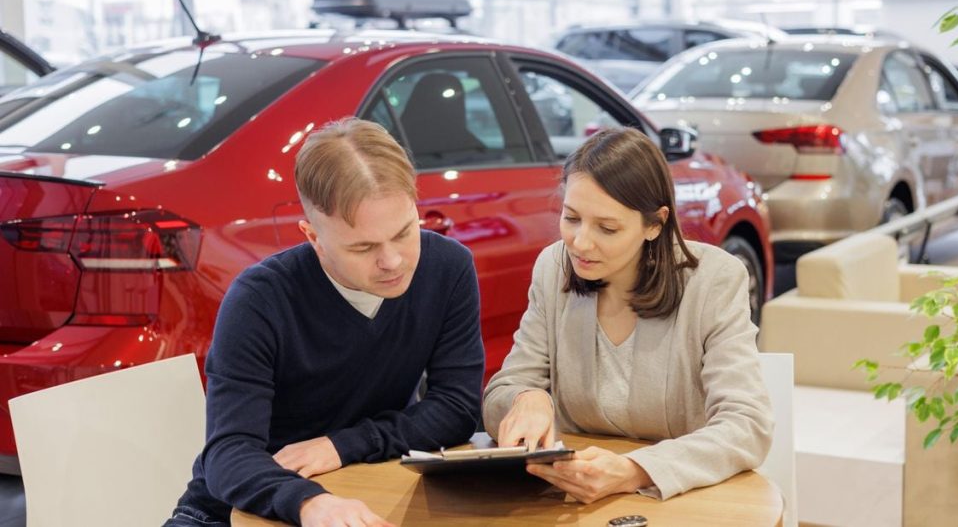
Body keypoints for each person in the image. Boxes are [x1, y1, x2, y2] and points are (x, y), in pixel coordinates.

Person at [165, 118, 484, 527]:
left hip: (372, 494)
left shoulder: (448, 268)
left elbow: (456, 409)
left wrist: (342, 445)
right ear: (312, 237)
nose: (392, 261)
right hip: (231, 511)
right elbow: (229, 453)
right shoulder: (260, 299)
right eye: (363, 247)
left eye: (405, 232)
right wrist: (309, 503)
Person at [482, 126, 773, 504]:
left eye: (607, 228)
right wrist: (527, 397)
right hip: (576, 502)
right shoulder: (554, 268)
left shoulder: (713, 280)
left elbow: (747, 425)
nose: (581, 242)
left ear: (655, 224)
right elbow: (499, 397)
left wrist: (635, 470)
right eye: (571, 218)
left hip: (681, 502)